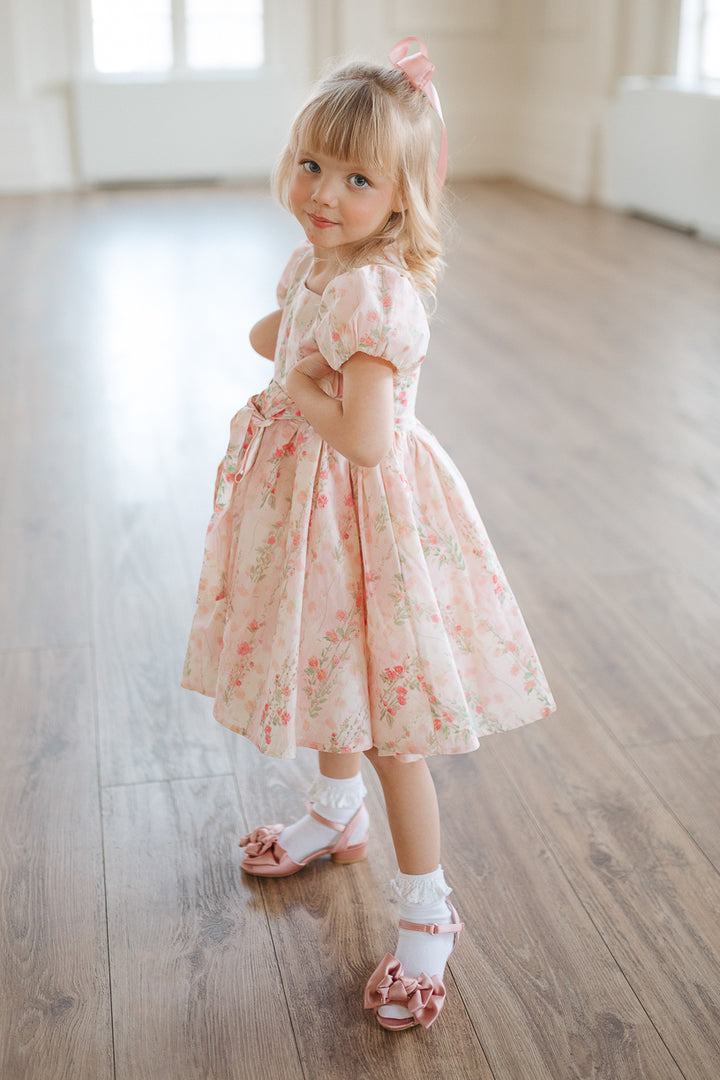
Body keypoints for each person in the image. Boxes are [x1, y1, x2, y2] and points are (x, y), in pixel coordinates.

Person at [182, 37, 555, 1031]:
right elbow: (281, 325)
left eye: (356, 177)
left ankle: (428, 911)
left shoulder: (375, 294)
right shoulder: (321, 261)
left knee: (393, 725)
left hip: (364, 518)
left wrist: (301, 378)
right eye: (311, 164)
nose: (322, 190)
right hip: (310, 517)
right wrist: (287, 333)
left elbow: (363, 435)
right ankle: (336, 813)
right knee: (328, 667)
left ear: (401, 198)